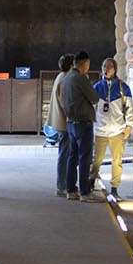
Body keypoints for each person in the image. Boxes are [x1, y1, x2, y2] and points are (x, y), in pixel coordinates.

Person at [57, 50, 101, 201]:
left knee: (72, 157)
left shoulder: (67, 78)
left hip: (70, 122)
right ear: (85, 63)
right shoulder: (80, 78)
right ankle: (85, 192)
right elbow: (94, 98)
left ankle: (71, 190)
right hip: (83, 123)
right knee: (84, 158)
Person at [90, 58, 133, 191]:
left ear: (114, 69)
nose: (106, 69)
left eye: (109, 66)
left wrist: (129, 125)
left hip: (117, 130)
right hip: (100, 130)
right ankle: (91, 181)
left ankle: (115, 188)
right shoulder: (96, 87)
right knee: (97, 160)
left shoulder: (123, 87)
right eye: (104, 66)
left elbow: (130, 108)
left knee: (117, 161)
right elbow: (91, 108)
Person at [47, 54, 76, 197]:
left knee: (65, 153)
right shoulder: (66, 79)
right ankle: (62, 186)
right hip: (65, 123)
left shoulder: (60, 76)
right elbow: (66, 103)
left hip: (60, 121)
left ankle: (64, 184)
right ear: (71, 65)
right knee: (65, 154)